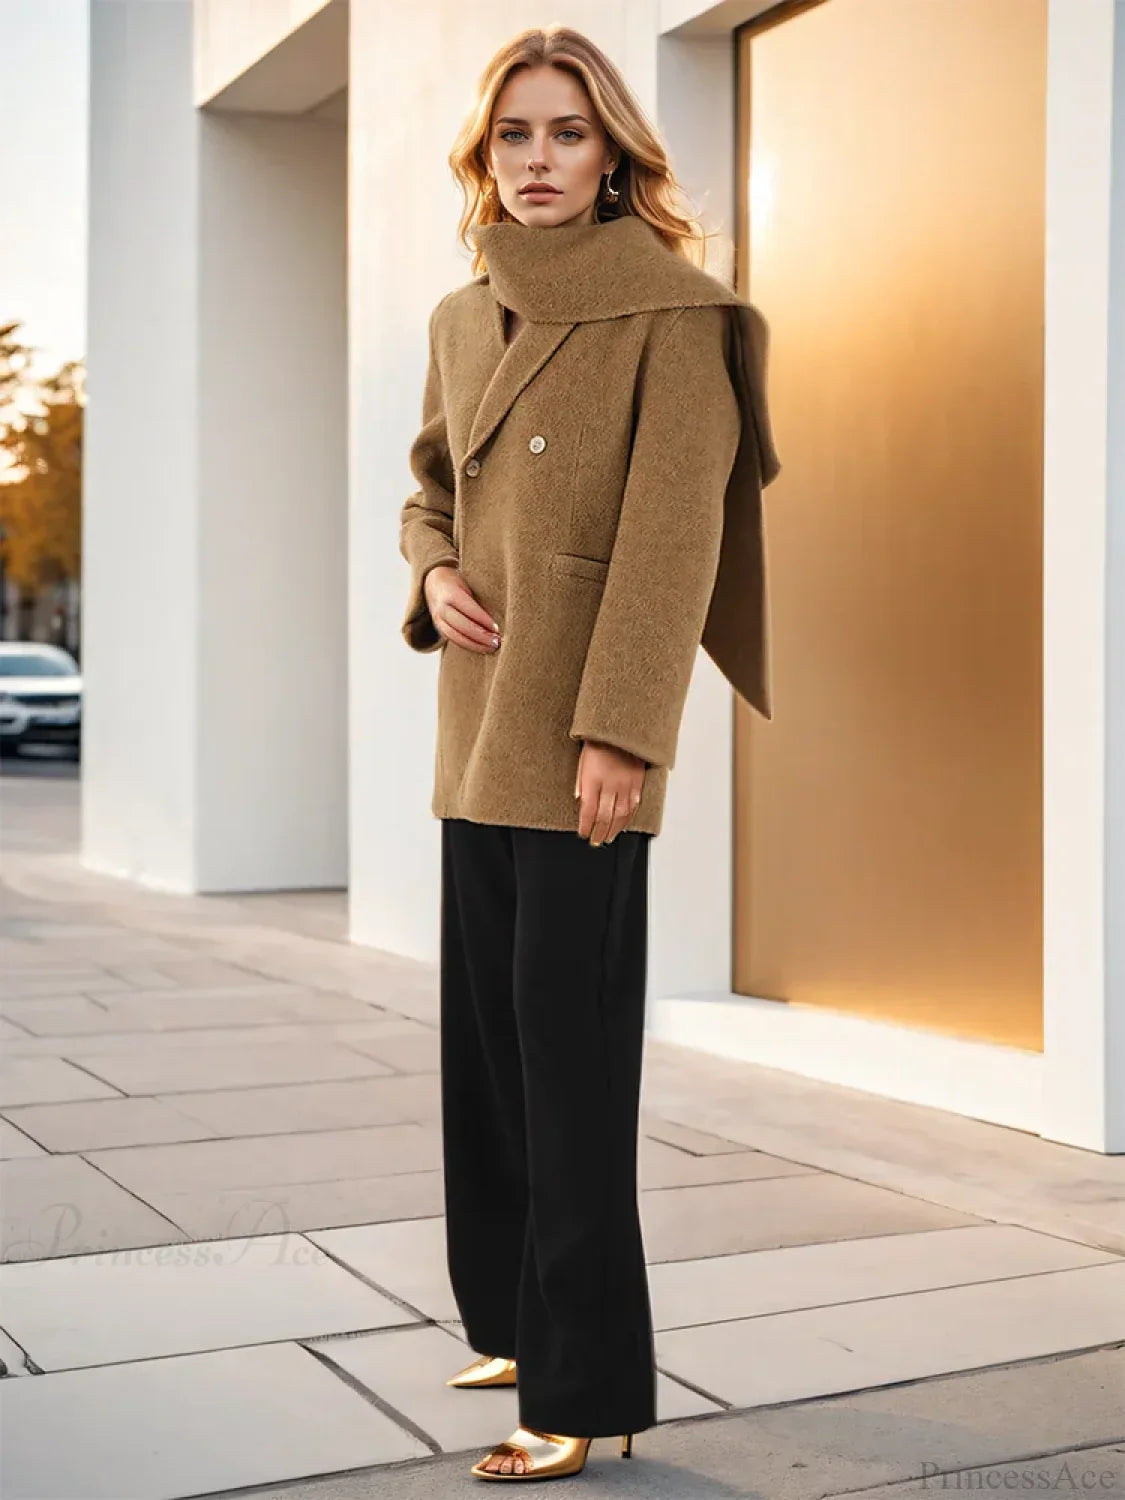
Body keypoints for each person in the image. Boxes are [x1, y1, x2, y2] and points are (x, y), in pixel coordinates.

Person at [398, 24, 780, 1484]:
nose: (540, 160)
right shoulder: (461, 309)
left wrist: (622, 733)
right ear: (485, 156)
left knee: (567, 1067)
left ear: (613, 150)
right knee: (487, 1058)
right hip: (474, 727)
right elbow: (428, 483)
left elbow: (674, 542)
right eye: (515, 136)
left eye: (566, 133)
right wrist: (429, 576)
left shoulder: (675, 315)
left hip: (578, 742)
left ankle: (584, 1386)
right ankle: (507, 1316)